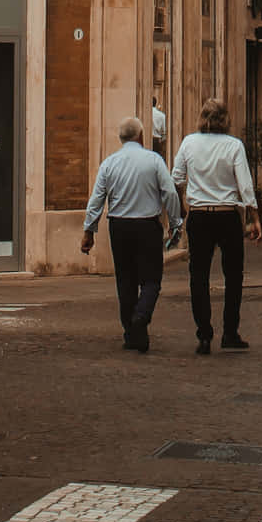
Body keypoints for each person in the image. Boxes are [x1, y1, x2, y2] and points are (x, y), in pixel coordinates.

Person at [81, 115, 181, 352]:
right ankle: (141, 317)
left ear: (121, 138)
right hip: (147, 225)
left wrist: (89, 230)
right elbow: (169, 193)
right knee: (151, 279)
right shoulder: (154, 161)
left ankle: (131, 332)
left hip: (120, 226)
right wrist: (176, 223)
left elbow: (97, 199)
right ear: (141, 136)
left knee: (125, 279)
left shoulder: (109, 163)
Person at [172, 98, 262, 354]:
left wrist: (179, 206)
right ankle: (230, 332)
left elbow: (176, 177)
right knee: (233, 276)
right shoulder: (234, 146)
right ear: (226, 119)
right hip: (226, 216)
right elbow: (244, 185)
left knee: (198, 275)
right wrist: (254, 217)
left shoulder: (189, 142)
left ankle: (204, 334)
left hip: (199, 215)